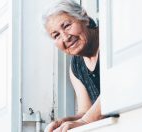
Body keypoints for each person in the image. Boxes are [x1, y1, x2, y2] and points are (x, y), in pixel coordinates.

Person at [43, 0, 102, 131]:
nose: (65, 38)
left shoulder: (110, 39)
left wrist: (85, 121)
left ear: (84, 18)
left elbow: (115, 88)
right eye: (56, 35)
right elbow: (85, 112)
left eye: (67, 25)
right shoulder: (75, 66)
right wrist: (63, 122)